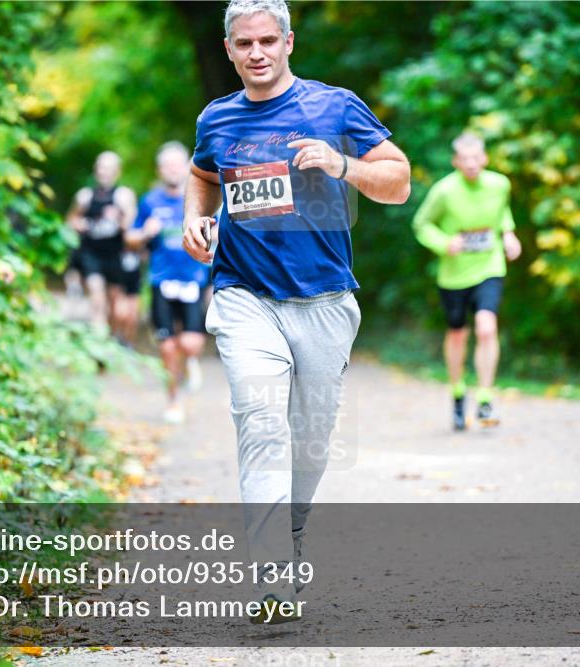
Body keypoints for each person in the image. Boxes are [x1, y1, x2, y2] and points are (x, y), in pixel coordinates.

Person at [181, 0, 410, 623]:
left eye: (267, 40)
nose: (256, 53)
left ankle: (294, 526)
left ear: (288, 42)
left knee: (310, 443)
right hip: (243, 296)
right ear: (228, 49)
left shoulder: (333, 106)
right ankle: (272, 583)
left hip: (325, 301)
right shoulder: (218, 118)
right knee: (260, 425)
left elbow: (399, 181)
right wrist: (194, 219)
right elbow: (201, 175)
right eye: (242, 43)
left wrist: (342, 164)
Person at [412, 132, 522, 431]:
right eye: (465, 159)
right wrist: (444, 242)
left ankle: (485, 397)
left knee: (487, 326)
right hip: (454, 274)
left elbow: (503, 214)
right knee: (458, 333)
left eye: (477, 158)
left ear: (485, 158)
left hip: (489, 266)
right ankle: (459, 393)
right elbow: (421, 224)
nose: (472, 164)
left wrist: (509, 234)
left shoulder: (500, 184)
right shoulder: (444, 191)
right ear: (456, 161)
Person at [128, 142, 210, 424]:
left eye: (178, 164)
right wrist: (144, 234)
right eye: (168, 165)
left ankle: (188, 364)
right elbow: (129, 239)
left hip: (194, 280)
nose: (173, 170)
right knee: (167, 347)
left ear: (188, 166)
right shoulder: (150, 201)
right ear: (160, 169)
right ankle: (174, 400)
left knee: (191, 344)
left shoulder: (200, 199)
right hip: (161, 280)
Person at [65, 151, 137, 337]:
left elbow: (131, 225)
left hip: (115, 255)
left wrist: (118, 218)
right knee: (97, 296)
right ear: (95, 170)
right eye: (101, 168)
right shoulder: (85, 196)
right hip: (91, 254)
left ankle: (111, 338)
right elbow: (70, 220)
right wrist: (78, 224)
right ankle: (98, 337)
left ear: (117, 172)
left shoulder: (123, 196)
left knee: (114, 303)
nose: (104, 172)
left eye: (109, 169)